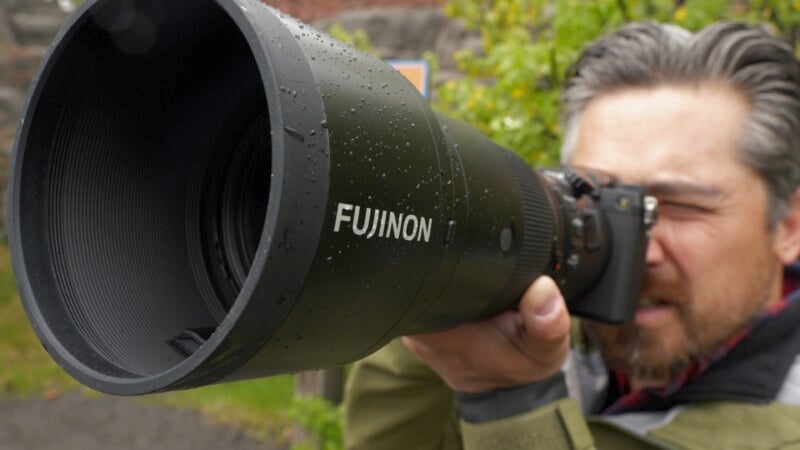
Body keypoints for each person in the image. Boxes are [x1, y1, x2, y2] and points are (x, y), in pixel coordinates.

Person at [343, 20, 800, 450]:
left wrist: (510, 402)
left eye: (680, 207)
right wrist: (444, 292)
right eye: (601, 199)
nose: (638, 250)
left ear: (789, 226)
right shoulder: (529, 329)